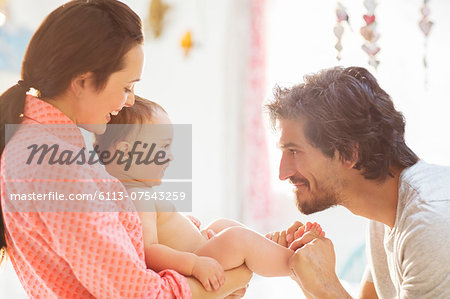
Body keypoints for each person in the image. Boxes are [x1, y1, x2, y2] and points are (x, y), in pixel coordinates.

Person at [0, 1, 251, 298]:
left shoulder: (41, 146)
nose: (130, 101)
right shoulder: (52, 165)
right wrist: (239, 271)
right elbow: (140, 295)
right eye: (126, 87)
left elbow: (121, 245)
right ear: (82, 81)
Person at [94, 96, 326, 292]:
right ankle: (295, 263)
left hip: (198, 250)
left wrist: (195, 231)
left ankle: (269, 249)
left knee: (222, 225)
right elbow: (149, 251)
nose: (171, 157)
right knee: (237, 239)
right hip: (193, 259)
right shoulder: (136, 196)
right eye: (163, 147)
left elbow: (168, 229)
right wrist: (194, 264)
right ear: (125, 154)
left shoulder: (135, 191)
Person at [266, 66, 450, 298]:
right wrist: (304, 274)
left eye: (294, 151)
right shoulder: (384, 217)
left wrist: (324, 284)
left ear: (350, 154)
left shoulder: (431, 223)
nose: (282, 173)